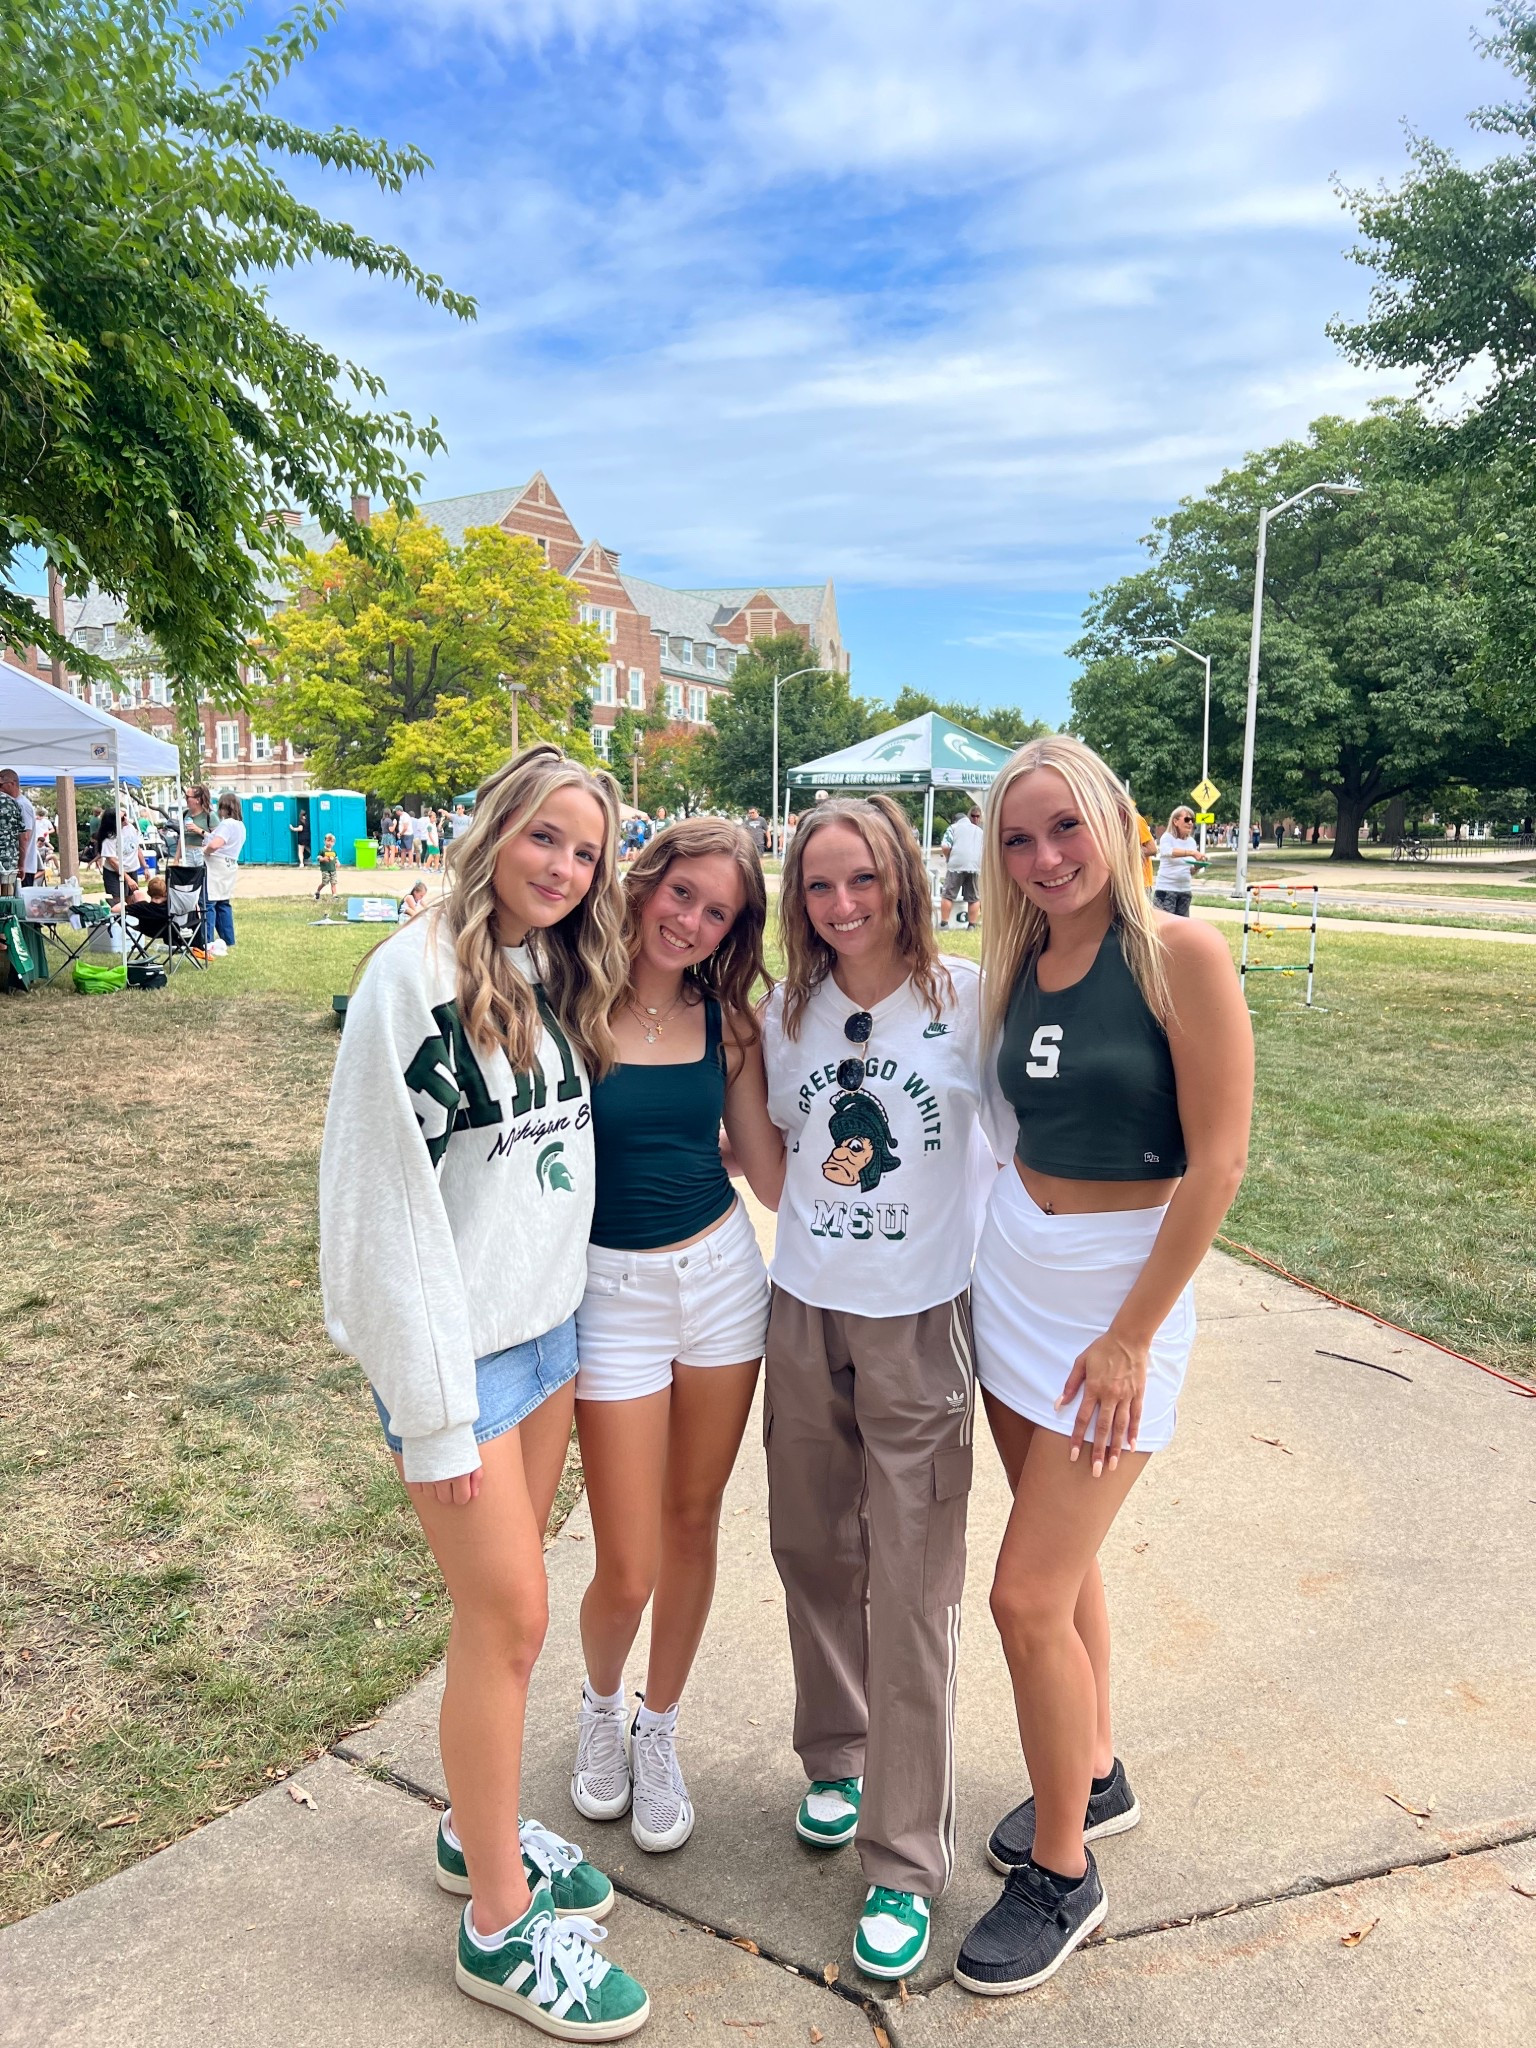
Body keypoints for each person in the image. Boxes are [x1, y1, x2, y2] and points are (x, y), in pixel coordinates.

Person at [318, 744, 650, 2038]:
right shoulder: (409, 981)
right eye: (547, 839)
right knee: (510, 1620)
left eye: (587, 850)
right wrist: (438, 1404)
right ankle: (502, 1929)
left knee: (503, 1621)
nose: (566, 869)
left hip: (547, 1341)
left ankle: (477, 1832)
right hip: (460, 1368)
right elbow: (381, 1217)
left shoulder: (554, 969)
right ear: (495, 827)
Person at [953, 735, 1252, 1999]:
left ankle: (1064, 1873)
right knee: (1057, 1563)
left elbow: (1219, 1161)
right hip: (1018, 1273)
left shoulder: (1181, 955)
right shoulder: (1023, 958)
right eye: (1018, 839)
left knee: (1023, 1596)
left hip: (1121, 1297)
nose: (1045, 858)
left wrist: (1132, 1331)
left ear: (1118, 823)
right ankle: (1100, 1766)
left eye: (1064, 828)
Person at [760, 793, 999, 1983]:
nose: (842, 903)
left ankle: (904, 1855)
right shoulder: (786, 1008)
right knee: (811, 1545)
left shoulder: (966, 1004)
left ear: (904, 875)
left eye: (862, 878)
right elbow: (774, 1156)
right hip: (801, 1306)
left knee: (912, 1580)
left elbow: (1021, 1154)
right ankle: (838, 1753)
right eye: (818, 885)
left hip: (917, 1320)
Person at [569, 820, 783, 1857]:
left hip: (721, 1281)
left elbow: (773, 1172)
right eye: (682, 892)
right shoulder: (566, 1000)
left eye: (718, 911)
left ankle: (660, 1726)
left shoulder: (729, 1023)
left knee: (694, 1517)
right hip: (608, 1296)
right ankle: (599, 1706)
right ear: (645, 879)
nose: (691, 920)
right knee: (626, 1558)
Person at [202, 795, 245, 952]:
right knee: (223, 902)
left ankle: (206, 940)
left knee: (209, 902)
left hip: (216, 866)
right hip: (230, 865)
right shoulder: (240, 825)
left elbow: (216, 844)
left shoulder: (227, 824)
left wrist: (206, 851)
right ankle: (228, 939)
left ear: (224, 807)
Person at [1152, 807, 1204, 916]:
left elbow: (1190, 871)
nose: (1190, 823)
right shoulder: (1167, 837)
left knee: (1182, 928)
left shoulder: (1191, 842)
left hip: (1185, 890)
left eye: (1192, 820)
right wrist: (1192, 853)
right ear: (1175, 821)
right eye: (1186, 820)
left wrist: (1197, 867)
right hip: (1166, 890)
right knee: (1164, 926)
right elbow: (1168, 851)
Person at [940, 805, 985, 930]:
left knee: (948, 894)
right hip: (975, 866)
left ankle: (944, 923)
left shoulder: (953, 828)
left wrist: (948, 857)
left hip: (956, 864)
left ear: (955, 820)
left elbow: (945, 846)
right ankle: (972, 925)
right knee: (974, 897)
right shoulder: (979, 831)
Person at [95, 804, 147, 903]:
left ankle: (131, 917)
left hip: (131, 869)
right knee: (119, 903)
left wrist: (145, 867)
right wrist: (127, 878)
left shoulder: (130, 827)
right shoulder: (109, 838)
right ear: (114, 822)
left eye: (125, 815)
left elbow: (137, 847)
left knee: (132, 899)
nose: (126, 819)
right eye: (122, 818)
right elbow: (112, 862)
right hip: (114, 872)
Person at [0, 772, 38, 885]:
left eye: (1, 785)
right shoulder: (13, 804)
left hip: (22, 868)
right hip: (17, 866)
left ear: (12, 783)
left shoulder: (21, 805)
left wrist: (21, 864)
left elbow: (24, 836)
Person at [181, 785, 213, 865]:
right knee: (189, 877)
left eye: (188, 797)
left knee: (203, 876)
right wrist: (176, 858)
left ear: (197, 800)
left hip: (202, 853)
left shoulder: (209, 815)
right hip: (187, 852)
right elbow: (181, 838)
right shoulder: (185, 814)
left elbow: (217, 838)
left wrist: (199, 830)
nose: (186, 799)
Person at [313, 833, 340, 902]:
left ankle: (334, 895)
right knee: (324, 882)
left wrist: (337, 862)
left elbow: (336, 858)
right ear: (324, 841)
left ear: (334, 843)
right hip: (325, 870)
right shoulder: (322, 851)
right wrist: (322, 859)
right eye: (328, 841)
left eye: (331, 841)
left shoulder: (334, 851)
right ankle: (317, 892)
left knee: (333, 882)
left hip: (333, 870)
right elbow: (318, 858)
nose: (329, 843)